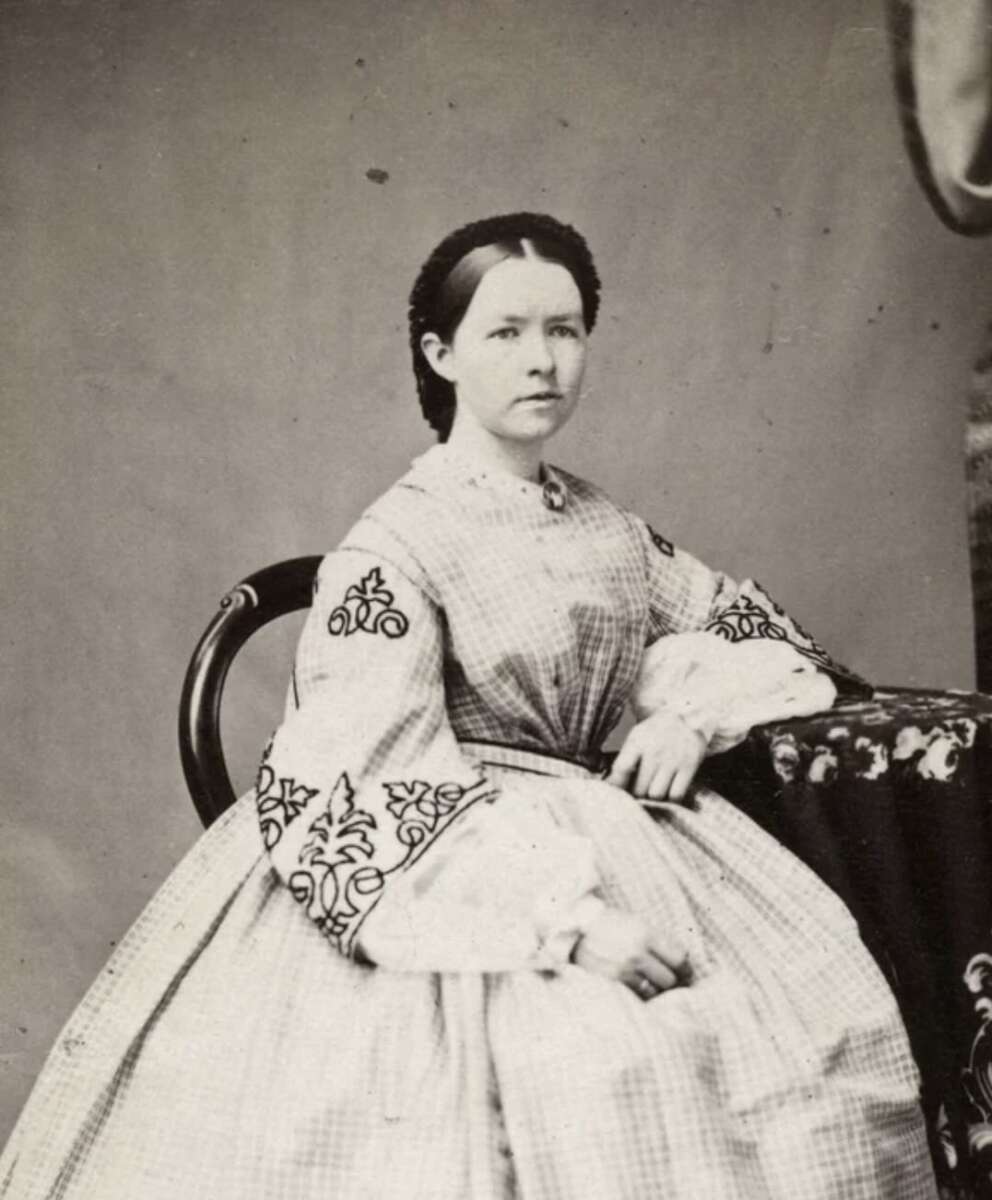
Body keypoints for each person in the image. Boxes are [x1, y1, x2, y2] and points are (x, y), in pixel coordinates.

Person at [0, 213, 937, 1198]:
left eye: (565, 330)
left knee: (811, 1040)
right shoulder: (394, 550)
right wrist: (567, 925)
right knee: (598, 1067)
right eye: (507, 333)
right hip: (455, 873)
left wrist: (688, 718)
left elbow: (756, 636)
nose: (543, 361)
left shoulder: (606, 527)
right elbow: (367, 776)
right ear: (441, 355)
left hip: (622, 835)